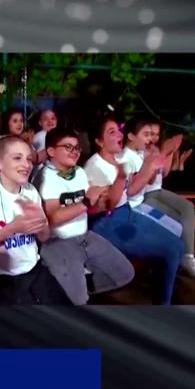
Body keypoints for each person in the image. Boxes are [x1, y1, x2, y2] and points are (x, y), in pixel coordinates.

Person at [84, 116, 184, 305]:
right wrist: (147, 167)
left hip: (126, 213)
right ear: (99, 141)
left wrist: (151, 164)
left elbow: (131, 190)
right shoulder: (95, 166)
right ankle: (164, 305)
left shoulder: (118, 159)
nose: (119, 135)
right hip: (108, 224)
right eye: (112, 132)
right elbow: (108, 205)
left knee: (178, 244)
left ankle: (164, 289)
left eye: (118, 130)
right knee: (171, 250)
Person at [33, 128, 134, 305]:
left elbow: (94, 208)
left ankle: (73, 287)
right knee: (78, 301)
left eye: (77, 148)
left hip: (84, 235)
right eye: (68, 147)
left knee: (125, 273)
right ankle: (68, 290)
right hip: (57, 242)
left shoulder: (79, 172)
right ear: (51, 151)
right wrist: (86, 202)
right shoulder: (45, 177)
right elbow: (53, 218)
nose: (75, 151)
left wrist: (117, 182)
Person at [0, 135, 72, 305]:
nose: (26, 164)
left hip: (33, 266)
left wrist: (41, 225)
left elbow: (44, 237)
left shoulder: (30, 191)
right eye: (17, 158)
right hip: (4, 276)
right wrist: (13, 228)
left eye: (29, 159)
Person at [140, 120, 195, 281]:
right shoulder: (140, 151)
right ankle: (168, 263)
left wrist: (170, 152)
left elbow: (165, 173)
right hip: (144, 196)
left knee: (188, 207)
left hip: (158, 191)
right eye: (150, 134)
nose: (153, 138)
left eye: (157, 134)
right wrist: (164, 152)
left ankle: (188, 257)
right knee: (175, 220)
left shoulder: (157, 149)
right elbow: (147, 180)